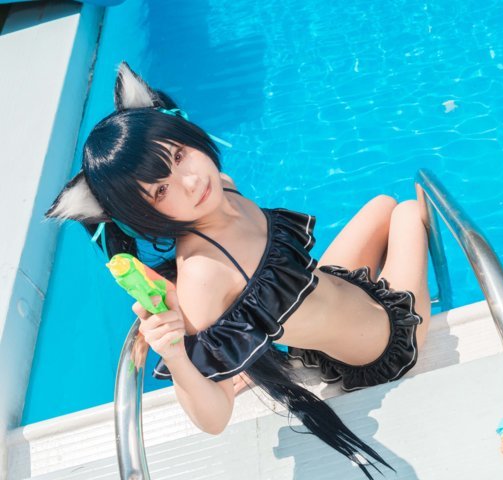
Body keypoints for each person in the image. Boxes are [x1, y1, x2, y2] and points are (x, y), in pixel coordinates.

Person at [46, 62, 431, 477]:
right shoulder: (202, 275)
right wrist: (175, 353)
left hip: (339, 298)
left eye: (178, 155)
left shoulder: (223, 187)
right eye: (160, 191)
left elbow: (255, 295)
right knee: (410, 210)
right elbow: (214, 420)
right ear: (141, 217)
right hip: (386, 340)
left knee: (381, 206)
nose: (191, 182)